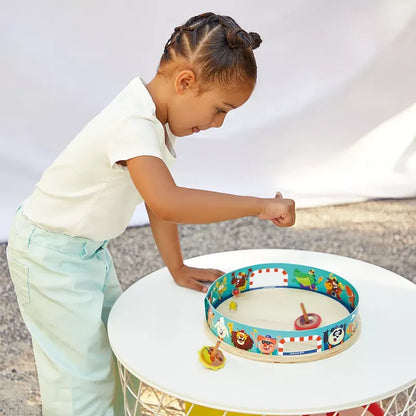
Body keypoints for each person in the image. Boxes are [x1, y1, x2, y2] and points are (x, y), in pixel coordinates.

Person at [6, 12, 296, 416]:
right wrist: (260, 205)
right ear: (185, 82)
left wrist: (176, 266)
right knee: (79, 381)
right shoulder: (133, 123)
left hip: (83, 251)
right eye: (219, 109)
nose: (218, 124)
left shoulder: (152, 121)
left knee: (115, 352)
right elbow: (166, 201)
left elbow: (158, 202)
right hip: (50, 255)